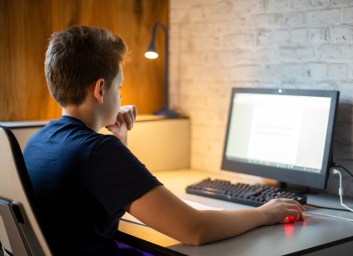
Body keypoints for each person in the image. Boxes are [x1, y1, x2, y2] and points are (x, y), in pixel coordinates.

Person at [23, 25, 305, 256]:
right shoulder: (95, 151)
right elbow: (195, 229)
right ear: (100, 89)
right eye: (119, 87)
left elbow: (91, 202)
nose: (121, 96)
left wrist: (120, 140)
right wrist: (265, 213)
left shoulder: (39, 141)